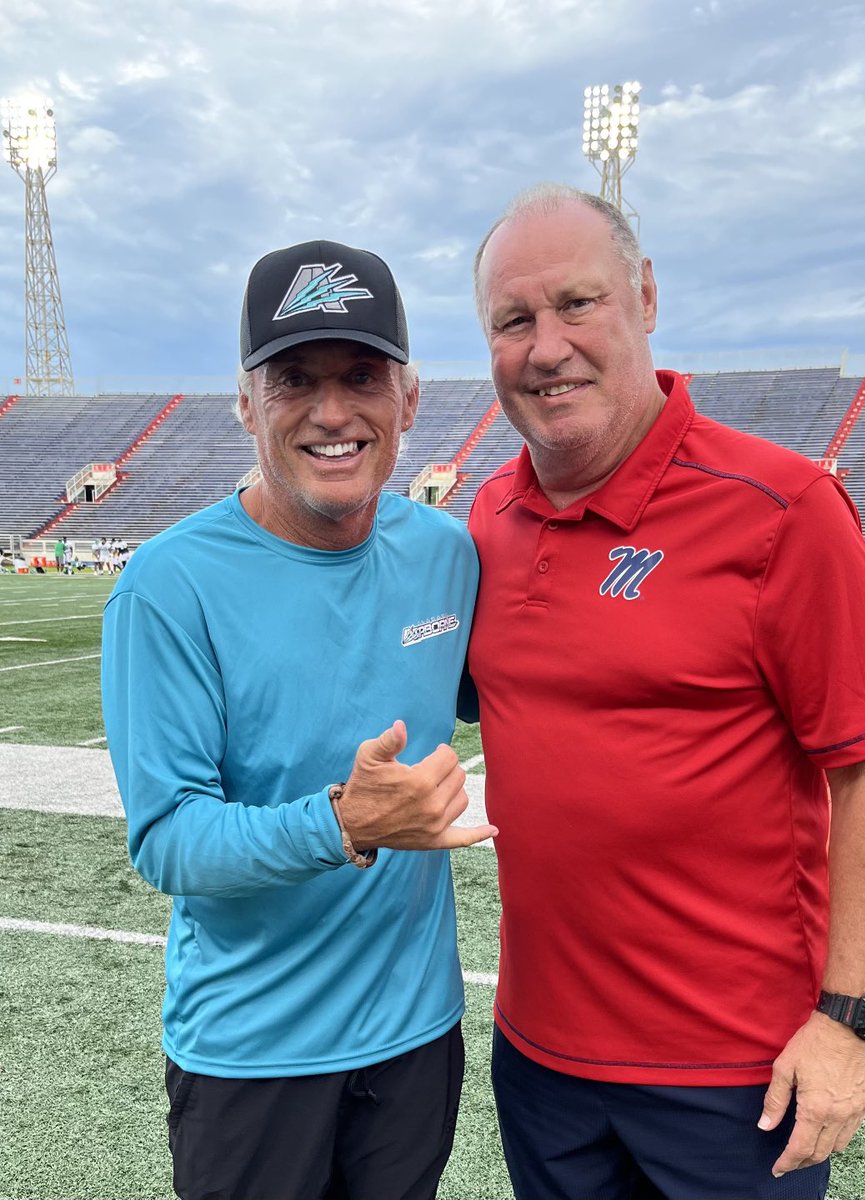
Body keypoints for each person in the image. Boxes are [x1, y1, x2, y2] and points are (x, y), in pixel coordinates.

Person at [466, 183, 865, 1200]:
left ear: (643, 298)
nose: (546, 347)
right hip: (539, 1063)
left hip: (735, 1075)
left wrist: (850, 1023)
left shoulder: (782, 510)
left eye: (576, 304)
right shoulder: (486, 519)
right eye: (512, 320)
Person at [101, 238, 496, 1200]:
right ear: (246, 402)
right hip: (251, 1056)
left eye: (361, 375)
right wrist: (342, 822)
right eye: (293, 380)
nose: (331, 412)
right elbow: (168, 841)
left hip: (415, 1039)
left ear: (408, 400)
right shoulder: (169, 586)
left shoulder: (447, 554)